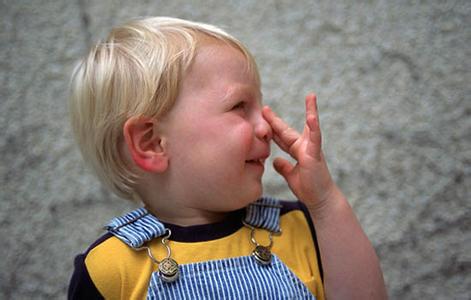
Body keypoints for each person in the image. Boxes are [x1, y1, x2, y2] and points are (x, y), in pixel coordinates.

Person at [68, 16, 387, 299]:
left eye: (259, 106)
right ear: (152, 143)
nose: (266, 127)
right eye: (239, 107)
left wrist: (326, 202)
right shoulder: (110, 269)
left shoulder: (300, 227)